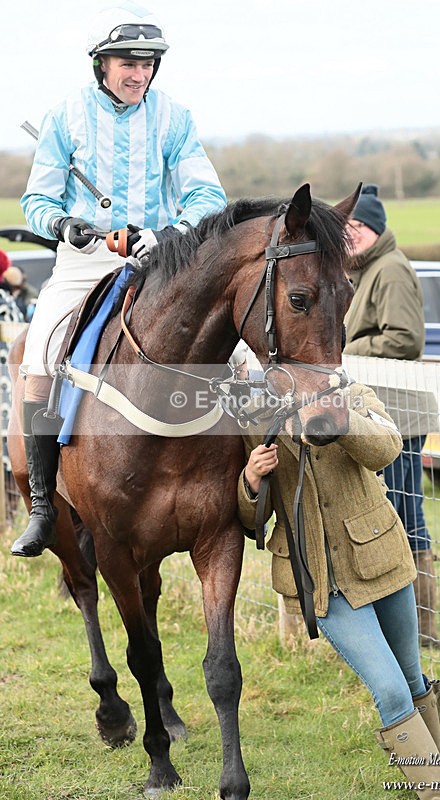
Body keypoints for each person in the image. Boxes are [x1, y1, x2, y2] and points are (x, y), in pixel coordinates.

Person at [11, 2, 227, 559]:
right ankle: (43, 506)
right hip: (85, 261)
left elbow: (207, 195)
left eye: (148, 64)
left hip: (159, 256)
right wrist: (65, 224)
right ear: (102, 65)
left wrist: (171, 234)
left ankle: (249, 488)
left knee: (239, 349)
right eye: (129, 63)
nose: (140, 74)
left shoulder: (174, 117)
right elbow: (37, 200)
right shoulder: (64, 117)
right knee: (40, 357)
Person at [237, 381, 440, 799]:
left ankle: (437, 780)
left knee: (412, 680)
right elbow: (251, 520)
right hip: (318, 581)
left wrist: (342, 419)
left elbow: (388, 448)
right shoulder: (254, 416)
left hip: (380, 556)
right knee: (390, 689)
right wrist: (250, 479)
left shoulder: (352, 394)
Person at [343, 184, 440, 647]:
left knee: (402, 516)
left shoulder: (391, 270)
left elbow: (405, 339)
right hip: (380, 413)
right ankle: (406, 627)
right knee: (394, 513)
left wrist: (347, 351)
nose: (347, 238)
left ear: (372, 230)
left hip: (400, 416)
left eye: (353, 229)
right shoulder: (364, 271)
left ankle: (421, 628)